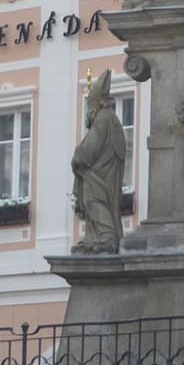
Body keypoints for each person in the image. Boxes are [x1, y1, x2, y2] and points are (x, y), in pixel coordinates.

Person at [71, 69, 126, 254]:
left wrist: (77, 155)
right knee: (94, 201)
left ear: (96, 103)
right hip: (106, 175)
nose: (89, 108)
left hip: (99, 176)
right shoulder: (111, 119)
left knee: (92, 200)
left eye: (90, 104)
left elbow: (89, 151)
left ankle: (106, 237)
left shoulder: (103, 120)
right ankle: (94, 237)